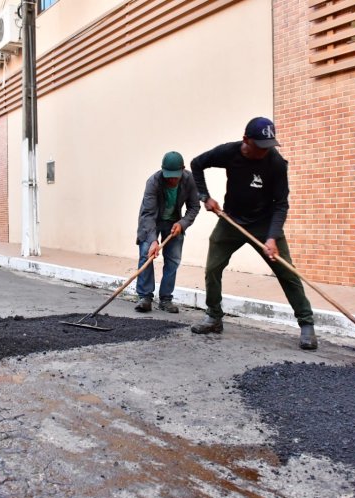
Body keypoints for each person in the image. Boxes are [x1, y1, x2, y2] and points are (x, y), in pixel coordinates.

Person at [189, 117, 317, 350]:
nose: (264, 151)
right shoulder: (228, 152)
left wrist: (272, 237)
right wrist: (204, 196)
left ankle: (306, 325)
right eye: (260, 146)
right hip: (231, 221)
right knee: (213, 268)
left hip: (264, 225)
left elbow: (281, 204)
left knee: (287, 274)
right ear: (246, 140)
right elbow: (196, 164)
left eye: (268, 146)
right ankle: (214, 317)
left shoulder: (276, 163)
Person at [134, 151, 200, 313]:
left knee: (173, 260)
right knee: (146, 255)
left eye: (175, 176)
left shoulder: (189, 180)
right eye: (168, 176)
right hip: (152, 222)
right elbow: (148, 214)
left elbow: (194, 207)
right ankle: (145, 297)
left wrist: (183, 223)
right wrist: (152, 240)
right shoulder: (153, 182)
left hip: (174, 222)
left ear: (182, 170)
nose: (171, 180)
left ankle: (166, 299)